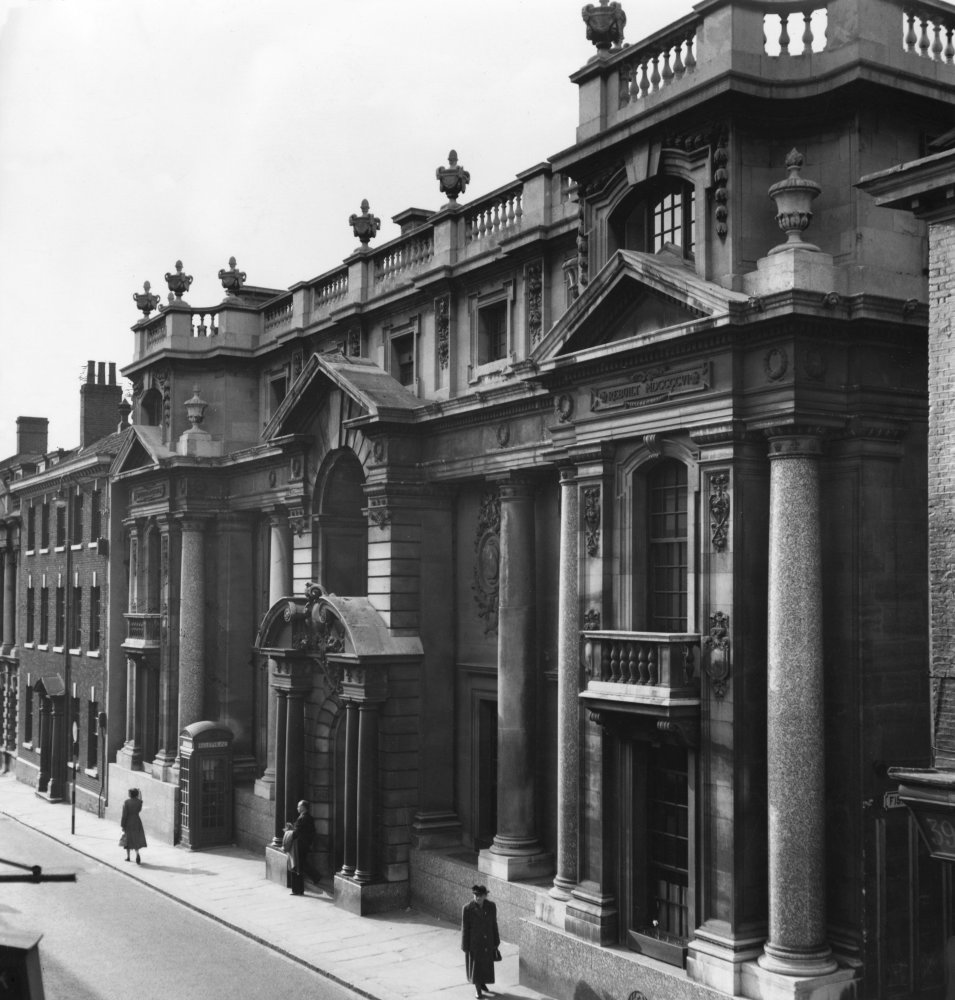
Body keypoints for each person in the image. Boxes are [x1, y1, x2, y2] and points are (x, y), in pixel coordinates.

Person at [461, 884, 500, 999]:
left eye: (480, 895)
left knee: (485, 965)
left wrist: (496, 941)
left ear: (485, 896)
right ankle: (478, 990)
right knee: (476, 967)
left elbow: (494, 924)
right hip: (475, 943)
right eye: (475, 895)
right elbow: (465, 928)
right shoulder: (467, 909)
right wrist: (465, 946)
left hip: (487, 941)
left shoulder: (491, 906)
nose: (477, 897)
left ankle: (482, 983)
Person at [286, 799, 317, 895]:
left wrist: (289, 831)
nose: (297, 808)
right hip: (304, 845)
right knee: (301, 866)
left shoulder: (303, 818)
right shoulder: (308, 817)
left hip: (299, 846)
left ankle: (297, 890)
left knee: (296, 867)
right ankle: (314, 878)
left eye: (298, 806)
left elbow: (297, 832)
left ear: (303, 807)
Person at [120, 788, 147, 865]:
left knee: (128, 839)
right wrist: (140, 793)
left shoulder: (126, 802)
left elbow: (124, 815)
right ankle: (137, 853)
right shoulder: (139, 802)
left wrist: (122, 825)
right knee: (135, 838)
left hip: (129, 821)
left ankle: (128, 857)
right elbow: (140, 800)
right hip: (137, 821)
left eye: (129, 793)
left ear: (130, 794)